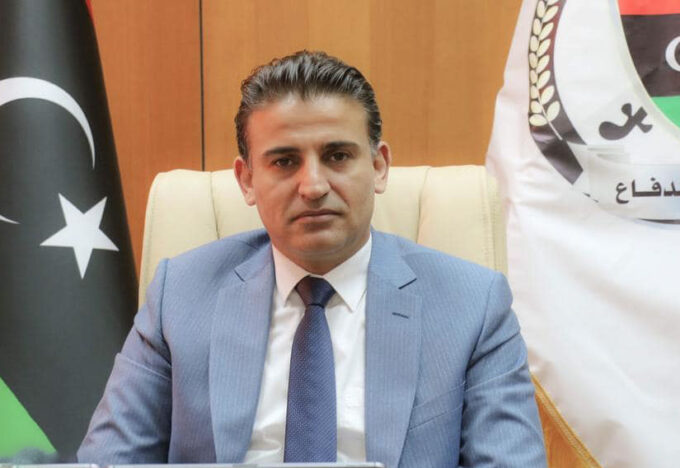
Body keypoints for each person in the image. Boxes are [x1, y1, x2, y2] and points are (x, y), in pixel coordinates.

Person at [77, 51, 546, 467]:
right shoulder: (181, 293)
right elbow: (109, 462)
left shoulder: (472, 306)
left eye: (337, 156)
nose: (314, 186)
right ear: (246, 180)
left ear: (379, 166)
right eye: (284, 161)